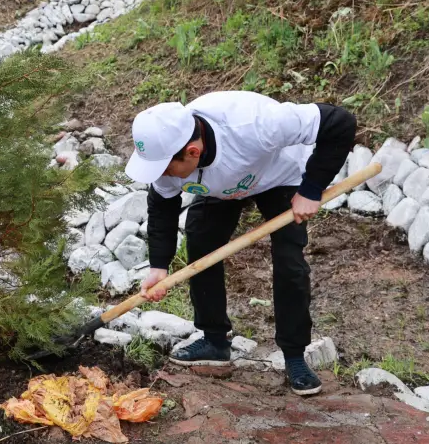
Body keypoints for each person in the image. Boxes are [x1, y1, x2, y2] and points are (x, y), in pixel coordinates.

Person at [124, 91, 355, 396]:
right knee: (201, 239)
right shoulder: (168, 156)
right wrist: (159, 265)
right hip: (221, 188)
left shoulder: (256, 125)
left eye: (165, 168)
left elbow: (340, 122)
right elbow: (162, 207)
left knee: (289, 262)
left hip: (278, 177)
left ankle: (295, 357)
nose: (161, 175)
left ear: (193, 152)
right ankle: (215, 340)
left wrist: (312, 189)